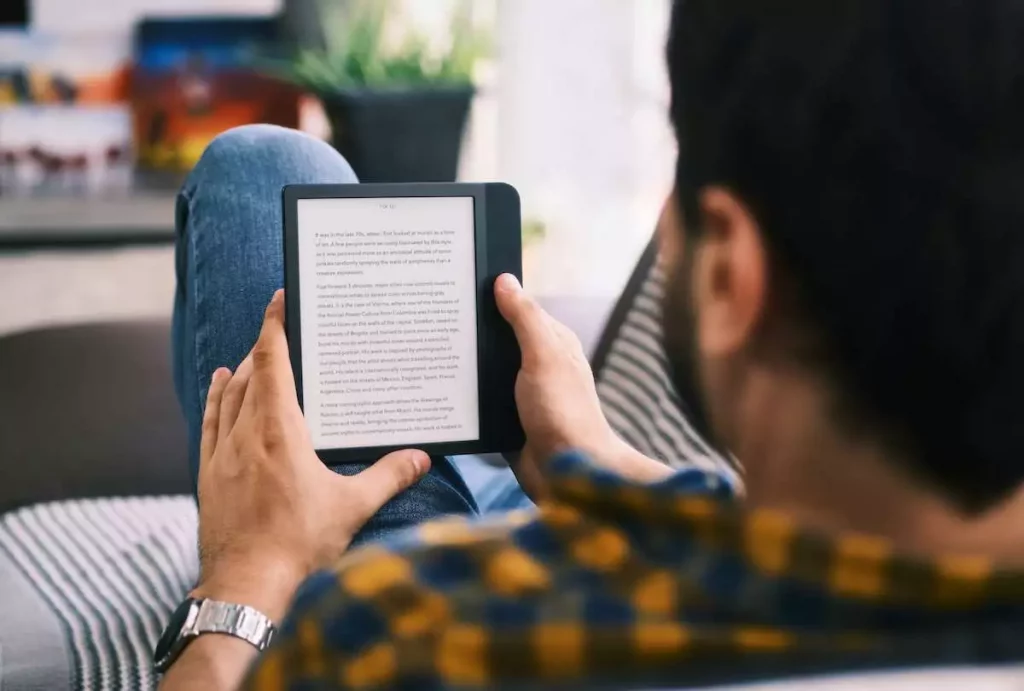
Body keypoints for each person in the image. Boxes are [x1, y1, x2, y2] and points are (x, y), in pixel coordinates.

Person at [161, 0, 1024, 688]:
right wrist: (596, 459)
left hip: (396, 564)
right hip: (610, 512)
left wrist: (249, 571)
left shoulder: (399, 633)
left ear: (730, 279)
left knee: (264, 167)